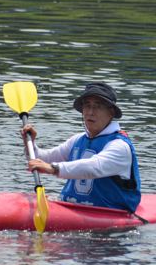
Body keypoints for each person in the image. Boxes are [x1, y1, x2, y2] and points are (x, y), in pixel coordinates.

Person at [20, 82, 141, 213]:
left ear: (111, 112)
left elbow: (94, 167)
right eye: (87, 106)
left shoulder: (120, 146)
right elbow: (43, 159)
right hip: (72, 208)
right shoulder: (78, 140)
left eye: (97, 107)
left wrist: (53, 168)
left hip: (108, 214)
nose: (90, 112)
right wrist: (30, 144)